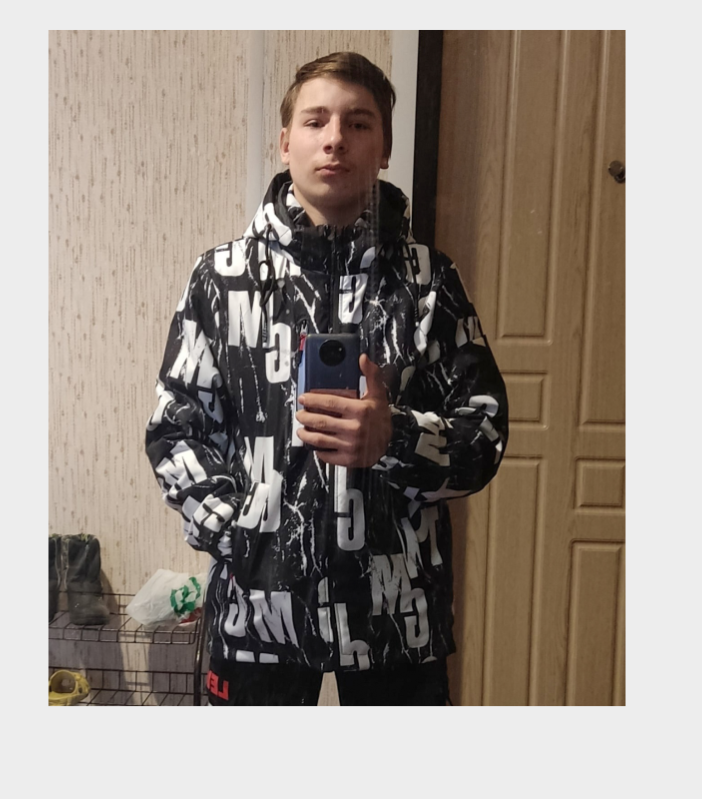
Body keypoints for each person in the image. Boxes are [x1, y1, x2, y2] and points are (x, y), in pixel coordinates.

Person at [146, 51, 508, 705]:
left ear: (385, 148)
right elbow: (176, 429)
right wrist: (239, 532)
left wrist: (396, 438)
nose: (335, 138)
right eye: (316, 121)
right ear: (286, 142)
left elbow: (484, 433)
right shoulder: (220, 279)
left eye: (358, 123)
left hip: (399, 616)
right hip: (257, 613)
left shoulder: (430, 280)